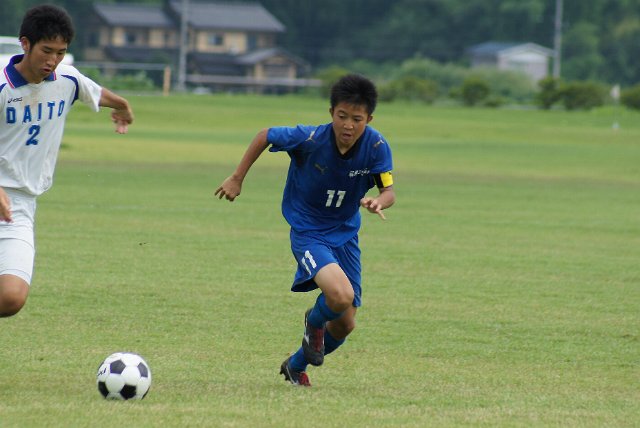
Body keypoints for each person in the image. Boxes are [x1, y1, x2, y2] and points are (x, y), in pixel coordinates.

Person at [215, 74, 395, 386]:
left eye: (357, 119)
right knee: (339, 296)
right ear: (331, 113)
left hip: (346, 235)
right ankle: (313, 321)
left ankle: (295, 367)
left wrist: (379, 201)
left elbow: (389, 191)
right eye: (342, 116)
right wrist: (237, 177)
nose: (348, 126)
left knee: (345, 325)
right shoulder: (309, 139)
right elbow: (265, 135)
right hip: (309, 232)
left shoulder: (377, 146)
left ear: (368, 119)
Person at [0, 4, 134, 317]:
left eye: (61, 52)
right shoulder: (3, 87)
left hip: (19, 206)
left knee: (12, 298)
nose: (53, 60)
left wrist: (122, 105)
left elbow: (95, 92)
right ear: (25, 44)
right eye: (46, 51)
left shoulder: (66, 80)